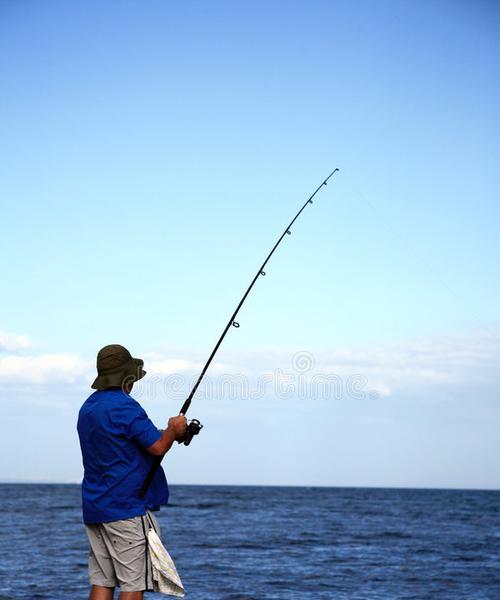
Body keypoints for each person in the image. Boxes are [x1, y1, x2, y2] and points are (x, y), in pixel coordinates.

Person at [77, 344, 187, 600]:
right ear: (128, 377)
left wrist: (171, 435)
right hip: (126, 509)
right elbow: (158, 446)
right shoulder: (126, 406)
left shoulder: (88, 407)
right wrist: (174, 429)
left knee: (102, 581)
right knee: (132, 584)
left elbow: (129, 441)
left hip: (96, 507)